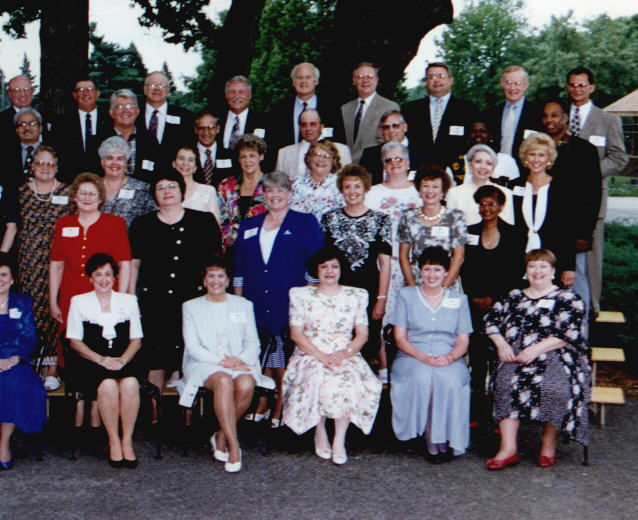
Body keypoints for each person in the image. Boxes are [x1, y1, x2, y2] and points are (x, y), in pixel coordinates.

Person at [484, 248, 590, 469]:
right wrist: (502, 345)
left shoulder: (568, 298)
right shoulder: (514, 296)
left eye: (543, 266)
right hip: (516, 354)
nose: (537, 271)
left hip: (557, 354)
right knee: (505, 383)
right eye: (532, 266)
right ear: (526, 271)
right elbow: (490, 321)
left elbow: (570, 333)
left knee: (556, 387)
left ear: (553, 271)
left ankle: (548, 443)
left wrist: (535, 350)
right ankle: (508, 448)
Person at [234, 171, 323, 428]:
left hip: (290, 299)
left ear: (290, 194)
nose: (275, 195)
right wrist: (239, 303)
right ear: (262, 195)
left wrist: (307, 300)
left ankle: (282, 403)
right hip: (255, 300)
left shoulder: (304, 222)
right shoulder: (249, 225)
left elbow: (315, 264)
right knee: (261, 352)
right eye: (270, 191)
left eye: (280, 190)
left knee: (284, 355)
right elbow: (239, 267)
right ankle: (263, 401)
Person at [283, 246, 382, 464]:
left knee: (348, 378)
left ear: (341, 269)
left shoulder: (356, 295)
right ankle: (320, 432)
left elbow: (362, 334)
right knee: (317, 376)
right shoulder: (301, 295)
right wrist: (320, 356)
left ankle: (339, 439)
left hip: (344, 350)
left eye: (334, 266)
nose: (329, 271)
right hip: (310, 350)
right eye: (324, 267)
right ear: (316, 270)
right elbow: (296, 334)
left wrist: (345, 353)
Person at [129, 170, 221, 401]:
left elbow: (215, 264)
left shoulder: (204, 221)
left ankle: (187, 415)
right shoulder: (142, 224)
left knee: (191, 360)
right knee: (154, 360)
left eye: (172, 186)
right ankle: (154, 414)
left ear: (182, 191)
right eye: (161, 187)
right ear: (154, 195)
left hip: (194, 303)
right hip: (155, 304)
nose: (167, 191)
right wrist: (131, 299)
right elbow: (134, 266)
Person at [49, 172, 131, 428]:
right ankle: (78, 403)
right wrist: (53, 300)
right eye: (82, 193)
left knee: (102, 343)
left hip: (105, 295)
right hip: (71, 296)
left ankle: (97, 407)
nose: (86, 198)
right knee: (74, 347)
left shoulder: (114, 223)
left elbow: (125, 264)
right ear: (74, 196)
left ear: (100, 198)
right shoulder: (63, 224)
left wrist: (122, 298)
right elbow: (56, 265)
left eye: (92, 194)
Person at [179, 256, 274, 473]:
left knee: (247, 383)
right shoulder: (190, 306)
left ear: (228, 280)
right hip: (204, 363)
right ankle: (234, 445)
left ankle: (221, 434)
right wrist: (221, 362)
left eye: (220, 276)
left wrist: (238, 360)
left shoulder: (244, 305)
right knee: (223, 380)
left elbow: (253, 343)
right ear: (204, 281)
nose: (216, 281)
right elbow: (192, 346)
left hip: (239, 362)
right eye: (211, 276)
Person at [391, 246, 472, 463]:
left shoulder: (459, 299)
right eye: (427, 269)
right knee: (424, 377)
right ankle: (431, 439)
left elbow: (463, 341)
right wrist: (423, 357)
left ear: (446, 272)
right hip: (412, 355)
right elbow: (400, 337)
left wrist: (450, 358)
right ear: (420, 271)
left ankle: (445, 437)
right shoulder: (406, 295)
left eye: (437, 270)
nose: (432, 275)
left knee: (449, 379)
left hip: (449, 356)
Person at [66, 253, 143, 469]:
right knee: (108, 385)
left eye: (108, 274)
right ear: (90, 278)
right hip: (91, 361)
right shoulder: (78, 301)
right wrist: (101, 360)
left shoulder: (129, 301)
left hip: (123, 358)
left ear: (115, 277)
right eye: (98, 274)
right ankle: (113, 441)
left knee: (130, 383)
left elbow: (137, 340)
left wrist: (123, 360)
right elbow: (74, 342)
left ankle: (127, 440)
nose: (103, 279)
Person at [459, 185, 526, 427]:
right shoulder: (469, 232)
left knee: (501, 362)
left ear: (501, 207)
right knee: (477, 360)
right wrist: (474, 297)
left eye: (492, 204)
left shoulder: (515, 233)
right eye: (483, 204)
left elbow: (516, 271)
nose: (486, 209)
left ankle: (501, 415)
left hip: (502, 305)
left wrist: (496, 299)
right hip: (474, 304)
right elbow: (464, 268)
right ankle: (476, 412)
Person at [565, 67, 628, 316]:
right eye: (572, 84)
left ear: (591, 87)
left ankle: (591, 308)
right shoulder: (559, 116)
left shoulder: (607, 120)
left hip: (592, 201)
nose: (577, 89)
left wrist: (588, 174)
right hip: (560, 199)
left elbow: (619, 158)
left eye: (582, 85)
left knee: (590, 258)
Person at [321, 164, 392, 362]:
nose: (352, 191)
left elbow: (385, 264)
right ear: (341, 190)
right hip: (336, 291)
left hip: (368, 291)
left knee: (368, 344)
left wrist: (381, 299)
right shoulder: (329, 218)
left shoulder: (381, 220)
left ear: (366, 188)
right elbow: (324, 261)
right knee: (336, 341)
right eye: (347, 186)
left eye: (357, 186)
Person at [364, 142, 421, 382]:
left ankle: (413, 367)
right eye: (389, 160)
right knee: (384, 316)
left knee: (413, 317)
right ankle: (385, 370)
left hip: (415, 265)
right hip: (384, 265)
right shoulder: (373, 193)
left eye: (399, 159)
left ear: (408, 163)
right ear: (383, 165)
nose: (394, 164)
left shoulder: (419, 191)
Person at [541, 100, 602, 321]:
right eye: (545, 116)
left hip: (573, 230)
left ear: (565, 118)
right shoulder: (539, 148)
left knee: (576, 282)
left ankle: (580, 332)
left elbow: (593, 194)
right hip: (545, 228)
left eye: (555, 115)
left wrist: (585, 233)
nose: (549, 120)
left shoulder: (583, 149)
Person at [17, 145, 72, 389]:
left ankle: (52, 369)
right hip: (28, 264)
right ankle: (30, 366)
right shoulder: (21, 192)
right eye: (40, 163)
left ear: (57, 167)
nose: (45, 168)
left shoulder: (67, 192)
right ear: (32, 166)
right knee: (30, 313)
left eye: (50, 163)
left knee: (54, 311)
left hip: (58, 262)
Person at [0, 253, 47, 471]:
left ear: (12, 279)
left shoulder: (23, 303)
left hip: (15, 361)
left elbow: (31, 339)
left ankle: (3, 443)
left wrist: (15, 358)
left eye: (4, 275)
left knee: (14, 383)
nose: (0, 280)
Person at [512, 133, 576, 283]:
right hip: (519, 260)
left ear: (549, 159)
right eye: (532, 154)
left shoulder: (561, 187)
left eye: (541, 155)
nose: (536, 159)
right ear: (525, 157)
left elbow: (568, 230)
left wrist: (568, 267)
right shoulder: (515, 186)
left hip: (553, 259)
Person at [398, 166, 468, 291]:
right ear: (419, 189)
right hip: (416, 282)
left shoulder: (455, 217)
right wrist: (412, 288)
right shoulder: (408, 216)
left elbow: (459, 257)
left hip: (447, 282)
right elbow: (403, 256)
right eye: (425, 186)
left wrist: (443, 287)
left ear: (443, 191)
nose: (430, 191)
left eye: (435, 186)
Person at [401, 62, 478, 171]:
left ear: (450, 80)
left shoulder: (468, 109)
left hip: (456, 170)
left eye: (440, 76)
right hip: (419, 169)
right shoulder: (410, 110)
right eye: (431, 77)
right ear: (425, 82)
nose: (436, 80)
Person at [269, 62, 339, 150]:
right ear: (293, 82)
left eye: (308, 77)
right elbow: (274, 142)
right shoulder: (279, 110)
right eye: (299, 77)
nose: (303, 81)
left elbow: (337, 141)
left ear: (316, 81)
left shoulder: (331, 108)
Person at [217, 135, 268, 253]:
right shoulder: (226, 185)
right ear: (238, 159)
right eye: (243, 156)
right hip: (232, 249)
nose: (247, 160)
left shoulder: (272, 185)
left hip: (263, 248)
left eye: (252, 155)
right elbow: (221, 220)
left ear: (261, 156)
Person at [340, 62, 400, 162]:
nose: (365, 80)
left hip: (374, 164)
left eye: (370, 77)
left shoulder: (389, 107)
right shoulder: (345, 109)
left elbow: (386, 142)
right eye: (360, 77)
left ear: (377, 80)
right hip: (347, 166)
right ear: (354, 81)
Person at [52, 78, 108, 181]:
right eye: (81, 90)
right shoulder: (62, 122)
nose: (85, 93)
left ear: (97, 93)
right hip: (70, 181)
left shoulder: (110, 119)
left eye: (90, 89)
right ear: (74, 95)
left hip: (103, 180)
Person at [483, 66, 543, 161]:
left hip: (526, 167)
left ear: (525, 85)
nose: (512, 88)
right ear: (502, 84)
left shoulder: (538, 113)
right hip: (495, 166)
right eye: (508, 83)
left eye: (517, 83)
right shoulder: (491, 113)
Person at [445, 144, 514, 226]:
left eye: (489, 163)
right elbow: (450, 227)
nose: (483, 167)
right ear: (469, 165)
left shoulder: (506, 193)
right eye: (478, 162)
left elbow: (507, 229)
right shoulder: (454, 193)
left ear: (493, 168)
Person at [359, 109, 431, 186]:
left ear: (405, 127)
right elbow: (362, 184)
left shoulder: (423, 154)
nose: (391, 130)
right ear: (381, 131)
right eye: (386, 127)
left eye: (395, 126)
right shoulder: (370, 155)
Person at [276, 109, 351, 180]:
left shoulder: (342, 150)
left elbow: (349, 180)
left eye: (313, 124)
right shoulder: (284, 153)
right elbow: (277, 183)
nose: (308, 128)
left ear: (321, 127)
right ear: (299, 128)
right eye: (304, 125)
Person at [99, 136, 157, 228]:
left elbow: (153, 220)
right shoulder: (93, 186)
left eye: (120, 159)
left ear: (126, 163)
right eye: (110, 158)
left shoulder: (142, 188)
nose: (115, 163)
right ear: (102, 162)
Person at [105, 89, 161, 181]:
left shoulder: (150, 140)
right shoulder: (99, 141)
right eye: (120, 106)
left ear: (137, 111)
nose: (125, 110)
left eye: (130, 106)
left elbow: (157, 173)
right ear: (112, 112)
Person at [217, 76, 271, 170]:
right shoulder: (216, 121)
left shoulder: (264, 121)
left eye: (241, 92)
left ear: (249, 95)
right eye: (232, 92)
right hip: (221, 175)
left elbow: (270, 154)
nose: (237, 96)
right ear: (226, 95)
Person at [141, 71, 194, 161]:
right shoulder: (133, 114)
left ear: (168, 91)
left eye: (162, 85)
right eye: (153, 84)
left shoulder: (185, 117)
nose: (157, 88)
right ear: (145, 89)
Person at [289, 139, 345, 222]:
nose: (321, 159)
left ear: (333, 161)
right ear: (309, 158)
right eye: (317, 155)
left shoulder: (342, 185)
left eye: (327, 156)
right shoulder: (294, 183)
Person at [173, 146, 221, 224]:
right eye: (181, 159)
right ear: (174, 164)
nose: (185, 163)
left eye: (190, 160)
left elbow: (216, 222)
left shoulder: (208, 190)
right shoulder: (166, 190)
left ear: (195, 167)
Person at [192, 110, 233, 188]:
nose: (206, 133)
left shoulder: (230, 156)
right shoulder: (187, 155)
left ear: (217, 129)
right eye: (201, 128)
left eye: (211, 127)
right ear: (196, 130)